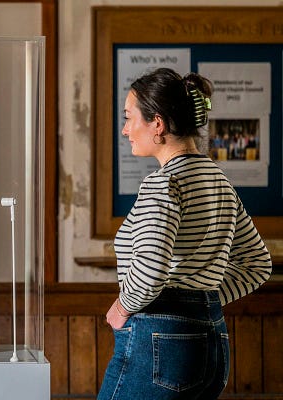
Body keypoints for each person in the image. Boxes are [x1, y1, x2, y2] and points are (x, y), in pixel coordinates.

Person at [98, 68, 272, 400]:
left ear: (158, 124)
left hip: (159, 341)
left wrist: (122, 306)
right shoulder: (219, 181)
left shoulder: (162, 183)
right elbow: (257, 264)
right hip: (213, 343)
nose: (125, 129)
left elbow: (151, 269)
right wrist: (200, 301)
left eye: (129, 118)